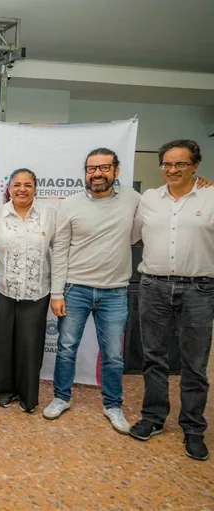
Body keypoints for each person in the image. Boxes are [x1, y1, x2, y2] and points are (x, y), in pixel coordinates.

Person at [44, 148, 140, 434]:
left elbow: (135, 234)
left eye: (104, 168)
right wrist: (57, 292)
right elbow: (60, 249)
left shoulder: (134, 200)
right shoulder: (70, 204)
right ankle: (61, 397)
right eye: (91, 168)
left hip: (114, 291)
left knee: (113, 354)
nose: (97, 173)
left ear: (116, 170)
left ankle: (113, 405)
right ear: (85, 172)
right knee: (66, 347)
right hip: (76, 288)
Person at [129, 139, 214, 461]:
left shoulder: (210, 196)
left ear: (195, 165)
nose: (173, 170)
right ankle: (153, 418)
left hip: (200, 288)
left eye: (180, 164)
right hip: (154, 285)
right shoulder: (149, 199)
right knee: (154, 357)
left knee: (194, 364)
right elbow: (133, 234)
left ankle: (193, 428)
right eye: (167, 164)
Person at [0, 168, 56, 413]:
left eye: (28, 185)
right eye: (17, 185)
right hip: (2, 288)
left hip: (37, 290)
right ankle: (3, 391)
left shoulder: (49, 216)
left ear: (36, 188)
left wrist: (57, 291)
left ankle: (27, 395)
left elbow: (56, 254)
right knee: (1, 342)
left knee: (30, 345)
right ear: (9, 188)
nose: (22, 189)